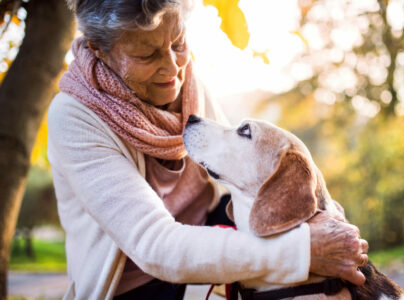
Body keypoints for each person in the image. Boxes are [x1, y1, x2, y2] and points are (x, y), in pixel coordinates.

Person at [47, 0, 369, 299]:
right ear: (98, 49)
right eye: (147, 55)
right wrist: (301, 249)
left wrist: (328, 227)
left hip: (213, 229)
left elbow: (239, 174)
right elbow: (155, 246)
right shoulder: (74, 117)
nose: (173, 69)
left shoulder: (185, 80)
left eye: (178, 43)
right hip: (139, 283)